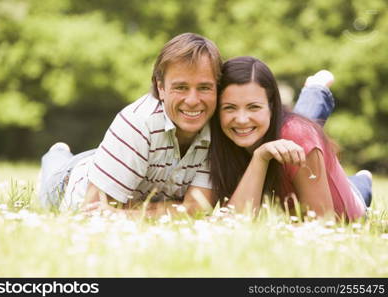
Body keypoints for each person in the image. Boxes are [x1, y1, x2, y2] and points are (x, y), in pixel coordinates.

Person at [38, 32, 221, 217]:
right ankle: (56, 155)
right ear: (161, 87)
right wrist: (169, 210)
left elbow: (195, 209)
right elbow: (95, 212)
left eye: (204, 88)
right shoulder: (139, 122)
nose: (192, 100)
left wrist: (124, 214)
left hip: (125, 164)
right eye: (181, 87)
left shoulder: (218, 130)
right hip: (71, 182)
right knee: (52, 177)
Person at [209, 56, 372, 221]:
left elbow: (322, 223)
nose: (242, 119)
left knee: (300, 131)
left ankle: (363, 179)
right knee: (301, 122)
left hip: (350, 202)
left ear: (272, 108)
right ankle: (315, 89)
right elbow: (234, 223)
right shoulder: (218, 141)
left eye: (254, 107)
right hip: (295, 148)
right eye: (229, 107)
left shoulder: (298, 135)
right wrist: (260, 157)